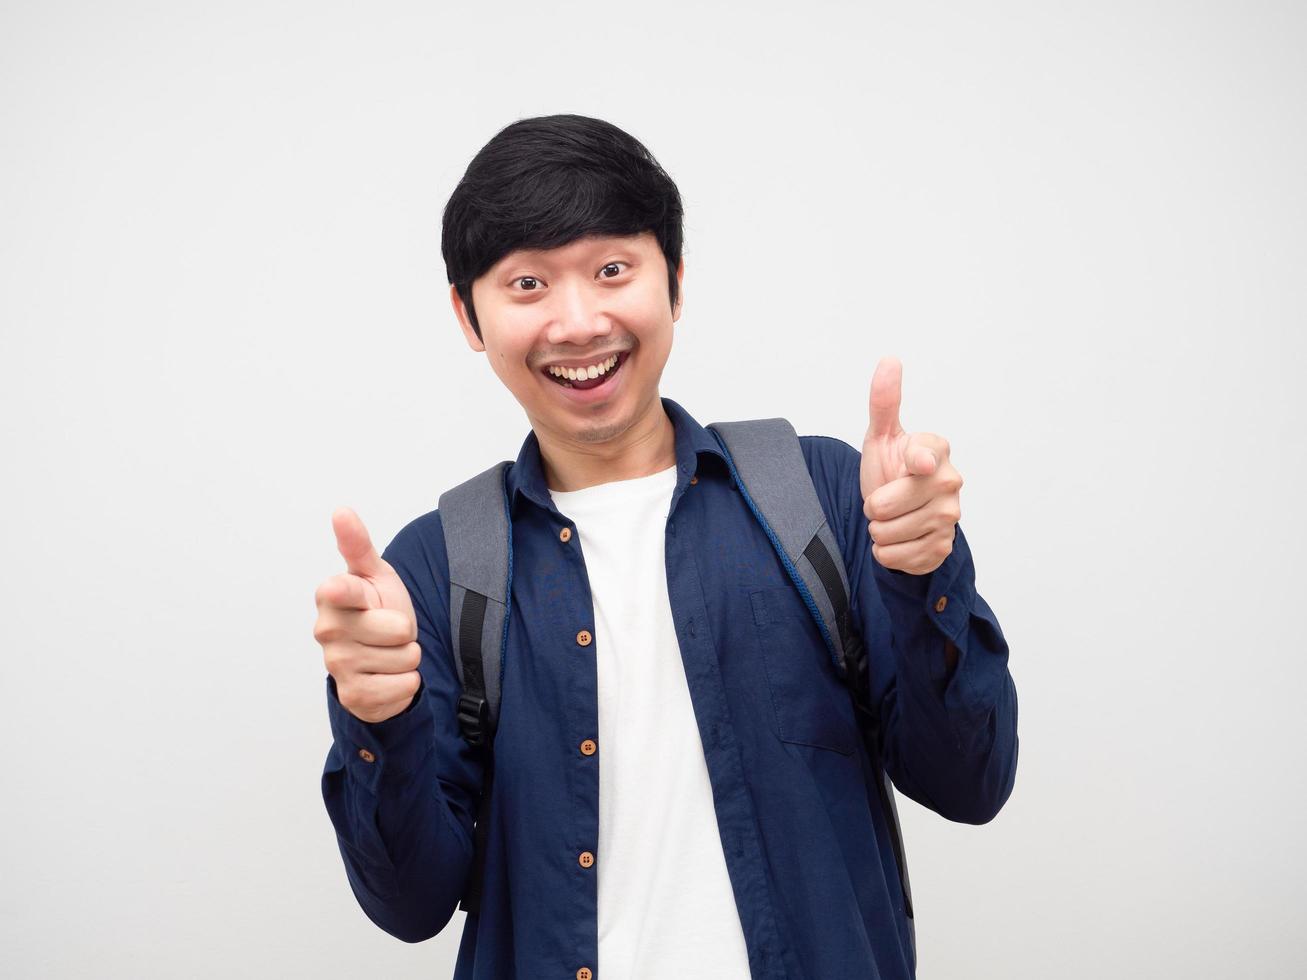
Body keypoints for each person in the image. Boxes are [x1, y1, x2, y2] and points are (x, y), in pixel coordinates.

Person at [313, 113, 1019, 980]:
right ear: (468, 315)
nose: (577, 323)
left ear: (674, 283)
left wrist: (922, 574)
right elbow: (409, 906)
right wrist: (375, 720)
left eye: (613, 270)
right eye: (527, 284)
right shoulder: (437, 569)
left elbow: (969, 784)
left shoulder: (823, 498)